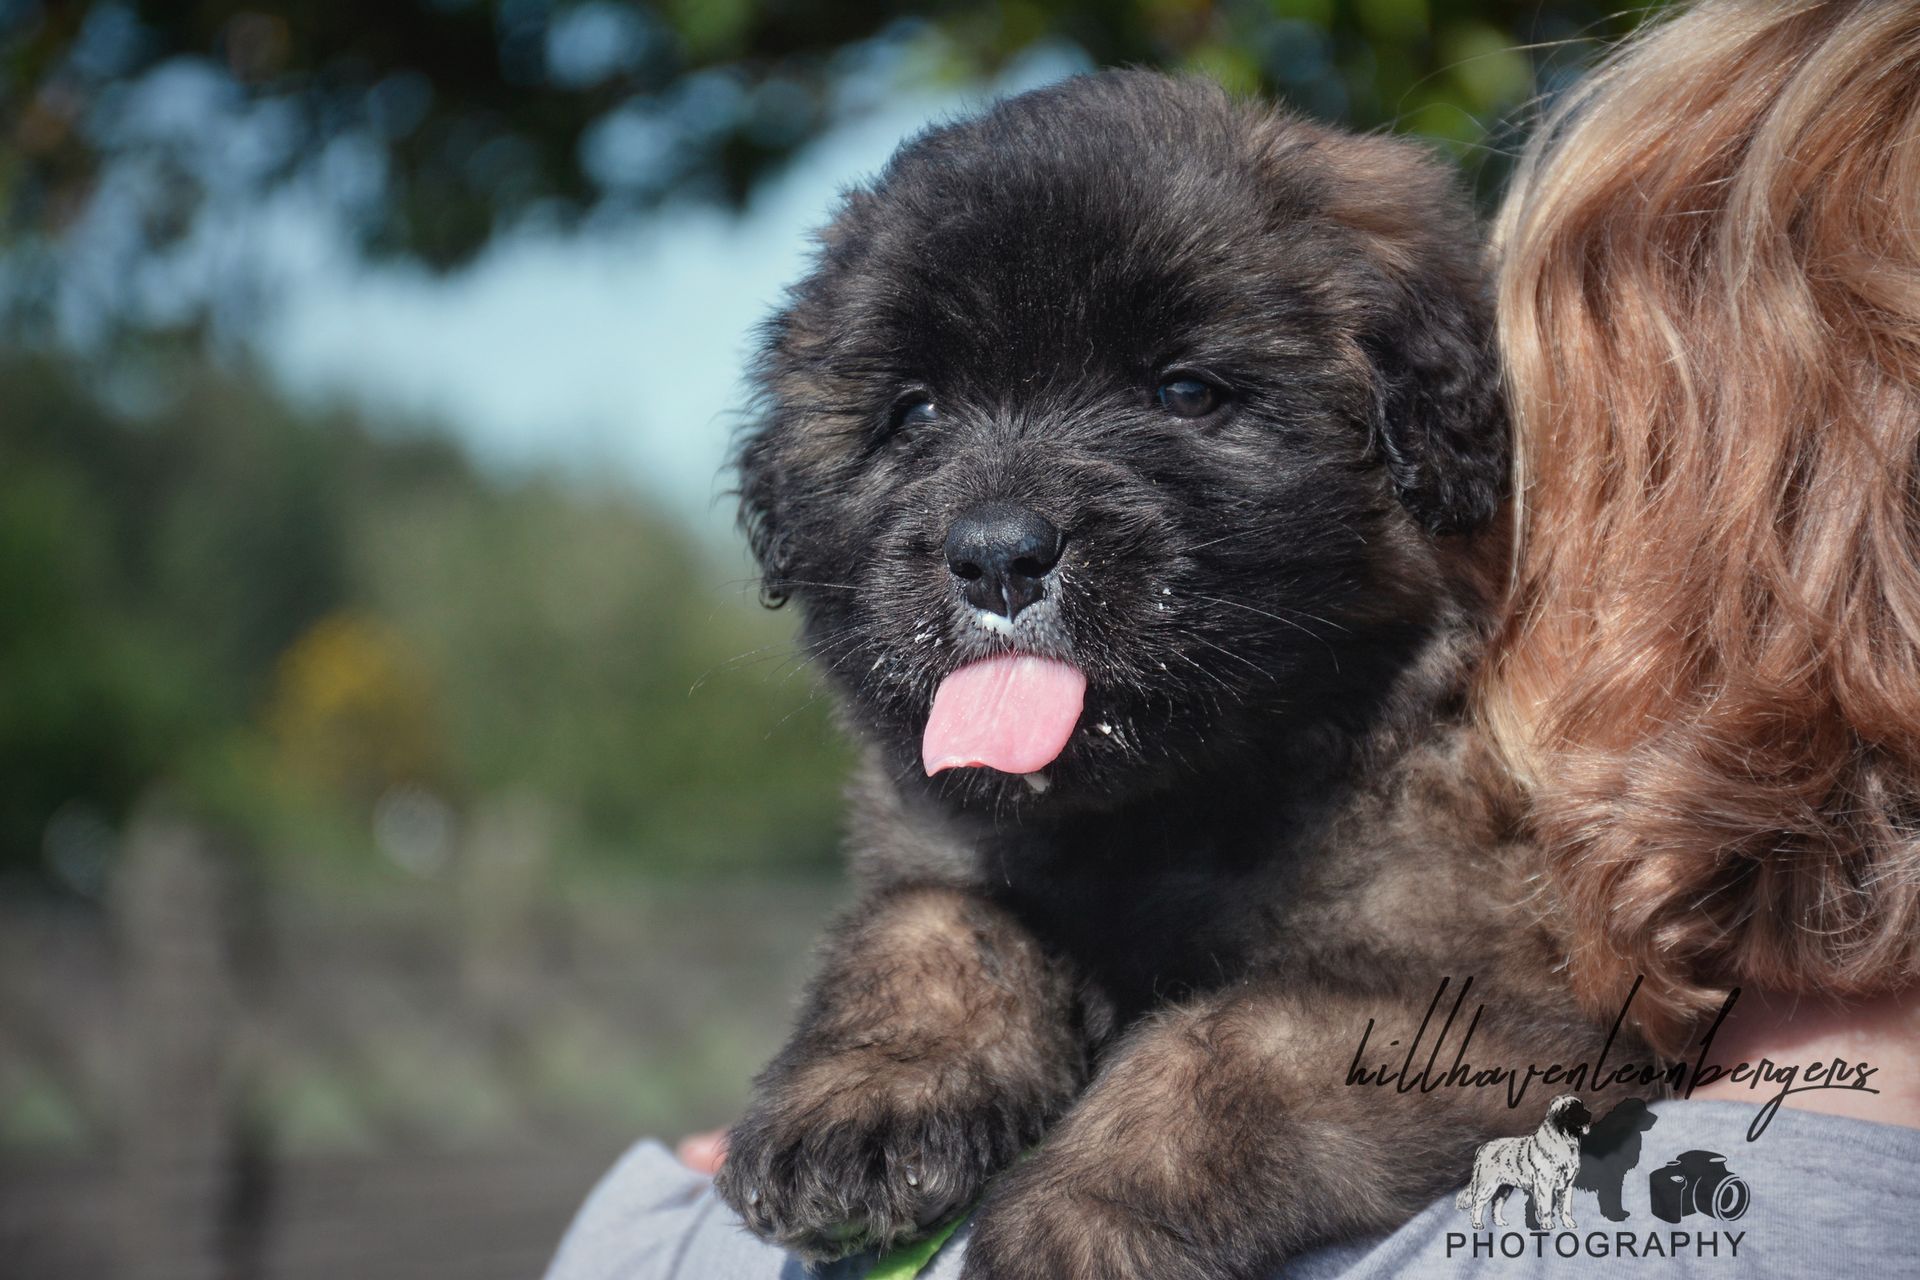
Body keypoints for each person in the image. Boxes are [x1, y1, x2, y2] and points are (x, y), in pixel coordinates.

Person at [545, 3, 1920, 1275]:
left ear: (1417, 428)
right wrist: (918, 1016)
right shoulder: (955, 871)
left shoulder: (1488, 835)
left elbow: (1518, 1036)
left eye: (1186, 388)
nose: (1003, 523)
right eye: (912, 418)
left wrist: (1178, 1137)